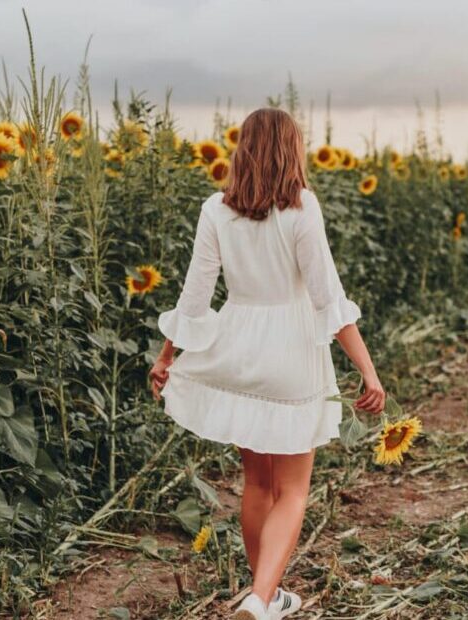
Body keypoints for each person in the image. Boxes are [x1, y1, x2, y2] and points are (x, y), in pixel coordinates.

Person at [148, 107, 385, 620]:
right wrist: (368, 372)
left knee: (257, 483)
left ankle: (267, 595)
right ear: (291, 151)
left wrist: (167, 355)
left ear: (243, 152)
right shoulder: (302, 208)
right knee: (293, 490)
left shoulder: (216, 209)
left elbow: (194, 297)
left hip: (238, 350)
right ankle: (260, 598)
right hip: (292, 355)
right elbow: (328, 298)